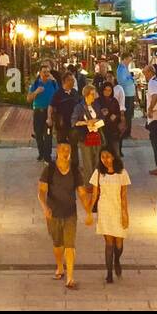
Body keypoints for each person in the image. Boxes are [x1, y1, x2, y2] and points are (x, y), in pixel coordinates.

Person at [38, 141, 94, 290]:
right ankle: (59, 266)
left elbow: (81, 193)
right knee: (58, 244)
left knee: (69, 245)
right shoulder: (49, 170)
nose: (65, 152)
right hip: (53, 213)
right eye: (63, 149)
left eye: (68, 149)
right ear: (57, 151)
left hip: (70, 213)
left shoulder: (75, 171)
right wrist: (44, 206)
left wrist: (88, 212)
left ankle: (70, 277)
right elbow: (42, 191)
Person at [88, 147, 130, 283]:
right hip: (104, 209)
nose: (105, 160)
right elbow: (94, 194)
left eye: (108, 156)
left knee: (119, 243)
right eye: (102, 157)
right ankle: (109, 273)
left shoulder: (122, 173)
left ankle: (117, 260)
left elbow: (124, 196)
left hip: (117, 209)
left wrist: (125, 214)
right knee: (109, 243)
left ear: (113, 157)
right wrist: (88, 211)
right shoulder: (98, 173)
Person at [72, 85, 106, 180]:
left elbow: (102, 118)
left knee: (97, 160)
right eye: (92, 94)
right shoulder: (79, 107)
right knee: (88, 162)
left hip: (97, 135)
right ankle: (89, 184)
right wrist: (87, 122)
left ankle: (97, 182)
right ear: (86, 95)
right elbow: (74, 122)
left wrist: (97, 121)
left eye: (94, 94)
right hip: (85, 137)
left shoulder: (96, 105)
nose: (94, 96)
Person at [27, 62, 59, 162]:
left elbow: (58, 96)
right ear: (40, 73)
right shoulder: (35, 84)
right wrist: (36, 92)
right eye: (44, 72)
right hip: (38, 112)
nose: (46, 74)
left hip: (49, 113)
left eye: (48, 72)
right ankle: (41, 153)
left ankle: (47, 156)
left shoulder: (53, 83)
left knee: (48, 135)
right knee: (39, 134)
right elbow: (28, 99)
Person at [49, 72, 81, 145]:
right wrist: (49, 118)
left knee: (74, 144)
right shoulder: (58, 93)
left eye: (73, 80)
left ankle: (74, 157)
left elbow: (80, 105)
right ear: (64, 81)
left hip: (73, 124)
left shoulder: (74, 92)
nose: (72, 82)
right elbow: (51, 106)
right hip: (62, 124)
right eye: (70, 80)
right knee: (62, 145)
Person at [98, 81, 124, 158]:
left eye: (109, 90)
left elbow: (118, 114)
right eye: (105, 90)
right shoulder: (98, 101)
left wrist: (115, 116)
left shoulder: (114, 101)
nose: (107, 92)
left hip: (113, 129)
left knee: (115, 153)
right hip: (102, 129)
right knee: (104, 152)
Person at [115, 54, 137, 139]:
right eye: (128, 60)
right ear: (124, 59)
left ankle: (128, 132)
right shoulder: (121, 69)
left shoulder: (125, 68)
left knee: (129, 114)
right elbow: (123, 81)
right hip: (126, 94)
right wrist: (132, 79)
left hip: (129, 93)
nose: (129, 62)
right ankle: (125, 133)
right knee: (127, 114)